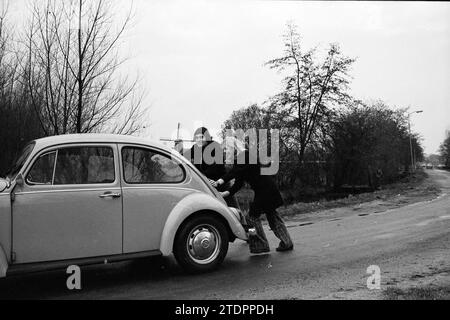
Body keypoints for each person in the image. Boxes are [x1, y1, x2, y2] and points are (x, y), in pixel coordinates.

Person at [212, 136, 293, 254]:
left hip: (265, 190)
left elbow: (233, 172)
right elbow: (238, 184)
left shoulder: (246, 155)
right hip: (266, 189)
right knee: (272, 215)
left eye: (226, 150)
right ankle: (286, 242)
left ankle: (261, 244)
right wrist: (223, 194)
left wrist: (219, 181)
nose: (226, 153)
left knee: (251, 218)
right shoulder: (242, 159)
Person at [181, 127, 239, 208]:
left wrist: (200, 176)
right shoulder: (196, 147)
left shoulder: (216, 147)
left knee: (229, 208)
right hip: (205, 182)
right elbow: (183, 157)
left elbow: (216, 167)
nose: (199, 140)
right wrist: (178, 152)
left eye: (201, 137)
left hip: (219, 183)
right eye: (197, 138)